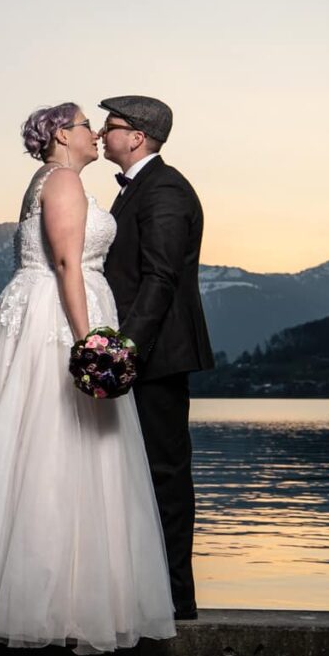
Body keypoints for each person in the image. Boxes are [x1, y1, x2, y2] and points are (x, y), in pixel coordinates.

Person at [0, 102, 175, 655]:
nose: (95, 134)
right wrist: (90, 342)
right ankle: (61, 601)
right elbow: (69, 264)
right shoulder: (65, 181)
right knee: (60, 450)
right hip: (59, 314)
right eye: (84, 126)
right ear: (61, 136)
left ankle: (35, 595)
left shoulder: (47, 179)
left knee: (40, 451)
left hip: (40, 309)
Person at [98, 95, 215, 621]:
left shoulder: (164, 190)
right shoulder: (138, 191)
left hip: (157, 356)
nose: (102, 133)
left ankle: (175, 599)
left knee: (165, 473)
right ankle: (147, 592)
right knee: (142, 473)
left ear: (137, 137)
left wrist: (124, 351)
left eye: (112, 126)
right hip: (144, 355)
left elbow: (160, 279)